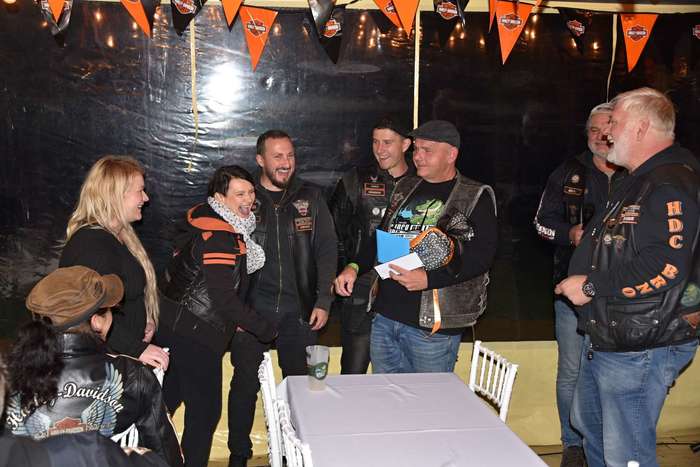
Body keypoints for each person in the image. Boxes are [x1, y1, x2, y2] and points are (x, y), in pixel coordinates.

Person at [556, 87, 700, 467]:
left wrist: (592, 285)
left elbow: (667, 265)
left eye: (614, 123)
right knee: (591, 427)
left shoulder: (670, 182)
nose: (607, 133)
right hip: (613, 333)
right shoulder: (637, 179)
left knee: (626, 452)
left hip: (641, 341)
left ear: (640, 128)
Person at [335, 120, 498, 373]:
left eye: (427, 150)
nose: (418, 156)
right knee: (387, 396)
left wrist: (428, 279)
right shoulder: (407, 186)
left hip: (431, 329)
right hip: (385, 317)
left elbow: (481, 257)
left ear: (451, 155)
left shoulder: (473, 195)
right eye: (416, 149)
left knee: (428, 399)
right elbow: (381, 237)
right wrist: (354, 267)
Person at [227, 130, 337, 467]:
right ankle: (239, 455)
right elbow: (225, 256)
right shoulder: (244, 197)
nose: (285, 163)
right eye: (277, 156)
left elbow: (327, 251)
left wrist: (323, 301)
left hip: (299, 312)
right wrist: (234, 311)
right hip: (252, 311)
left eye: (290, 155)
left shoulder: (311, 197)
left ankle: (298, 455)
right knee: (244, 385)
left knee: (302, 388)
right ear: (260, 159)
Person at [3, 266, 183, 467]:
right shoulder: (134, 374)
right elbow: (166, 457)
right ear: (97, 322)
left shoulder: (7, 375)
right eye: (111, 309)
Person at [157, 165, 277, 467]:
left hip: (176, 327)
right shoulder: (221, 236)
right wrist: (265, 329)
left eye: (250, 192)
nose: (248, 199)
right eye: (239, 194)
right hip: (197, 334)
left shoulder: (209, 222)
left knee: (162, 407)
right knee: (204, 415)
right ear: (220, 198)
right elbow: (223, 298)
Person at [533, 103, 625, 467]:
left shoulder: (637, 172)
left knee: (612, 371)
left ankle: (607, 443)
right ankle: (572, 445)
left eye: (607, 130)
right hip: (571, 293)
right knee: (571, 370)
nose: (601, 137)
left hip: (620, 294)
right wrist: (569, 233)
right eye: (593, 130)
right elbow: (541, 222)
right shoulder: (568, 172)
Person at [59, 155, 169, 370]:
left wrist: (144, 319)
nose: (145, 198)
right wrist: (136, 348)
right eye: (140, 190)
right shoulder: (92, 244)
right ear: (116, 195)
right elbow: (90, 316)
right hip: (106, 364)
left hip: (120, 356)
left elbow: (124, 296)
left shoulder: (118, 236)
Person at [329, 115, 414, 374]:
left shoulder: (420, 183)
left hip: (405, 285)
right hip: (361, 284)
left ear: (406, 145)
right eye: (376, 142)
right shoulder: (356, 179)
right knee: (353, 370)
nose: (380, 149)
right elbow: (333, 232)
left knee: (399, 376)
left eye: (387, 142)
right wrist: (345, 270)